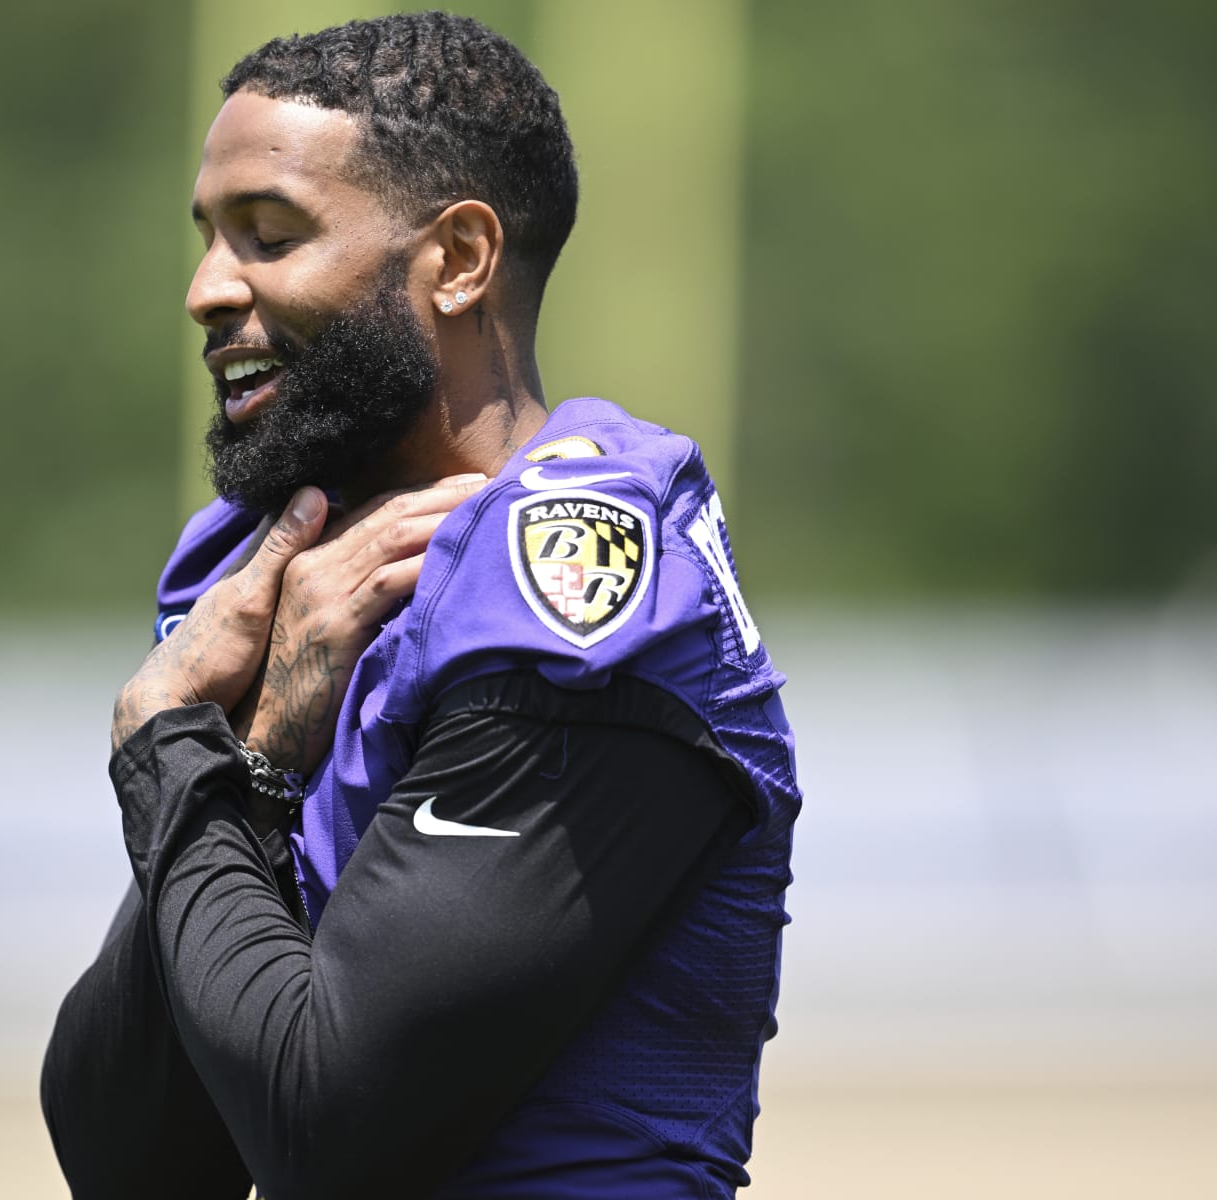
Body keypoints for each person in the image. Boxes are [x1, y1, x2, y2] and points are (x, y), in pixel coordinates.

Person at [39, 13, 800, 1199]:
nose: (206, 290)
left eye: (270, 235)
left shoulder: (573, 579)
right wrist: (253, 754)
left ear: (458, 259)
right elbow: (130, 1164)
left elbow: (330, 1136)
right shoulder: (266, 572)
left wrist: (171, 748)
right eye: (209, 238)